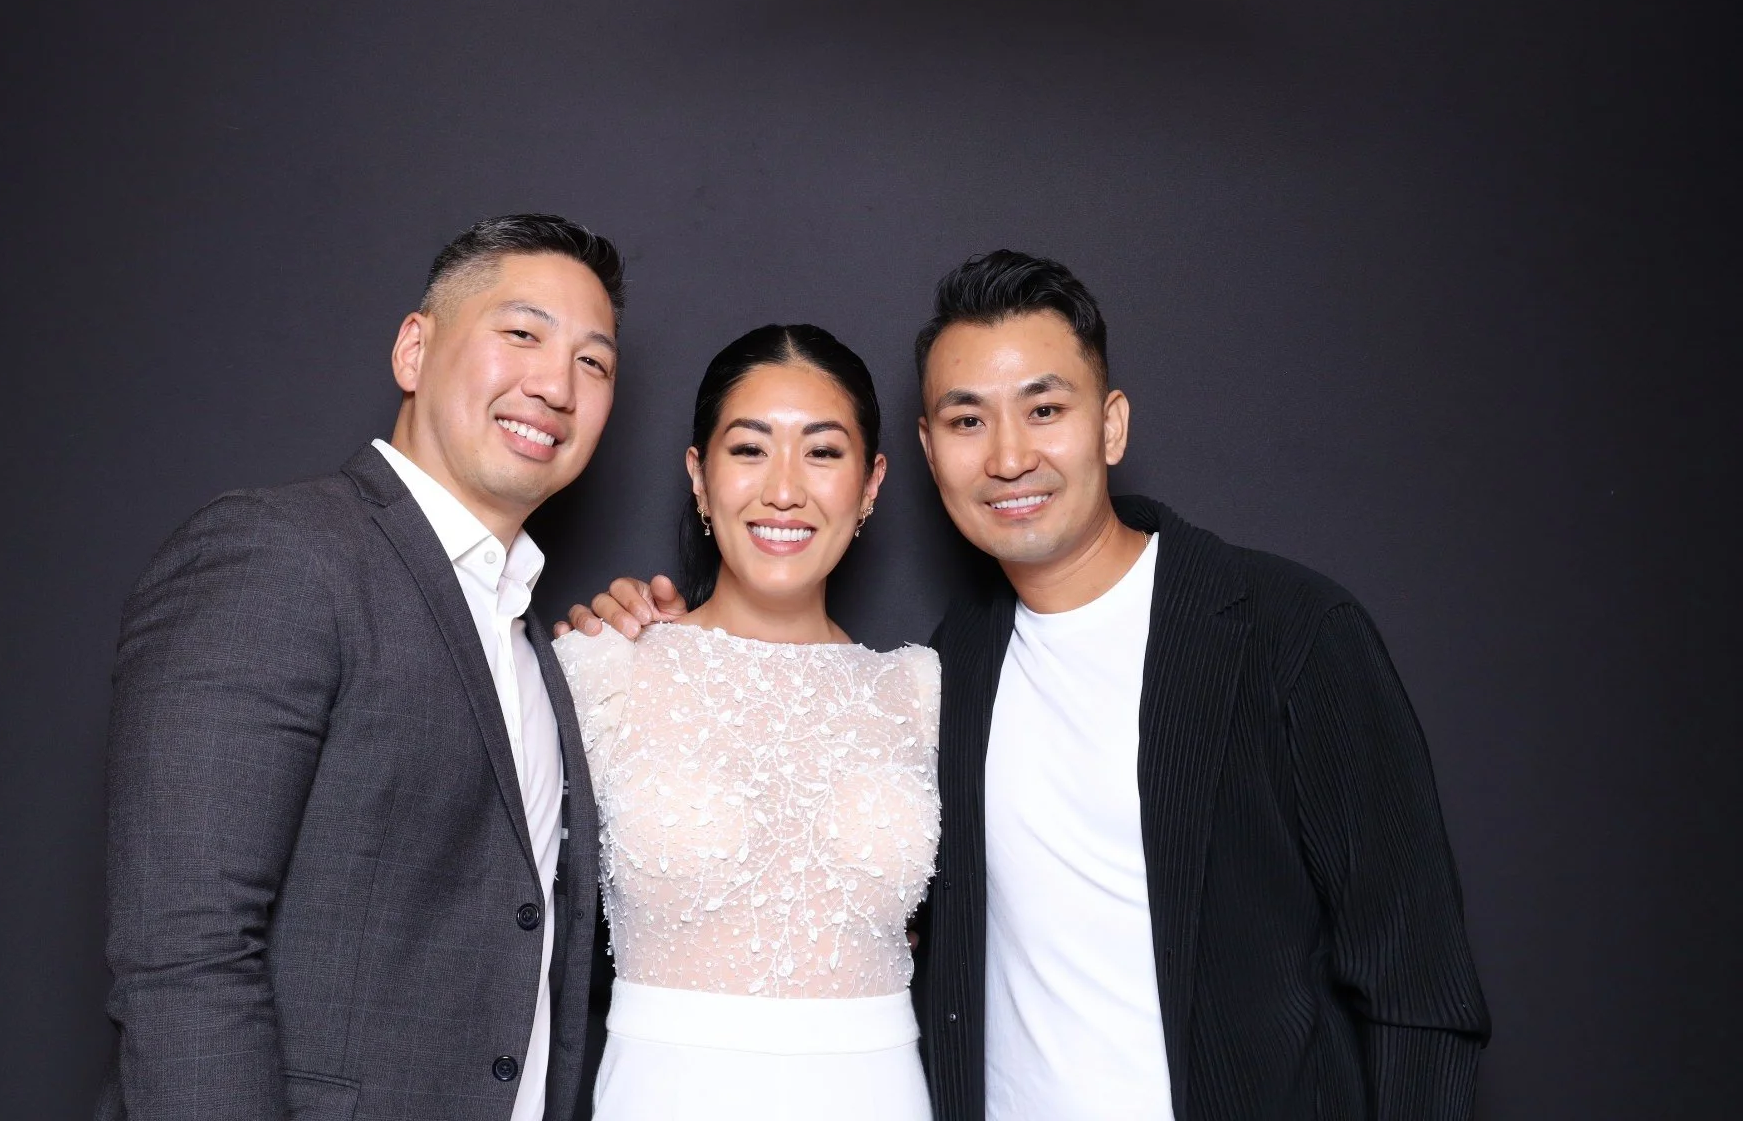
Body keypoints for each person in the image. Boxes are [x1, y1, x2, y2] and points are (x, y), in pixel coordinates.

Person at [564, 251, 1491, 1120]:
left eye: (1044, 409)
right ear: (930, 451)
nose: (1008, 457)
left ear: (1111, 424)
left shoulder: (1288, 634)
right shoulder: (952, 669)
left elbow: (1420, 988)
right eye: (968, 421)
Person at [99, 214, 622, 1121]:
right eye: (522, 334)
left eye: (594, 362)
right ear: (414, 351)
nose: (555, 385)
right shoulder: (279, 555)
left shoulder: (530, 632)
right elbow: (182, 953)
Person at [551, 324, 939, 1120]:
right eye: (750, 449)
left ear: (871, 483)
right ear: (699, 475)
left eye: (823, 452)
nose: (784, 490)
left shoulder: (921, 692)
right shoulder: (604, 668)